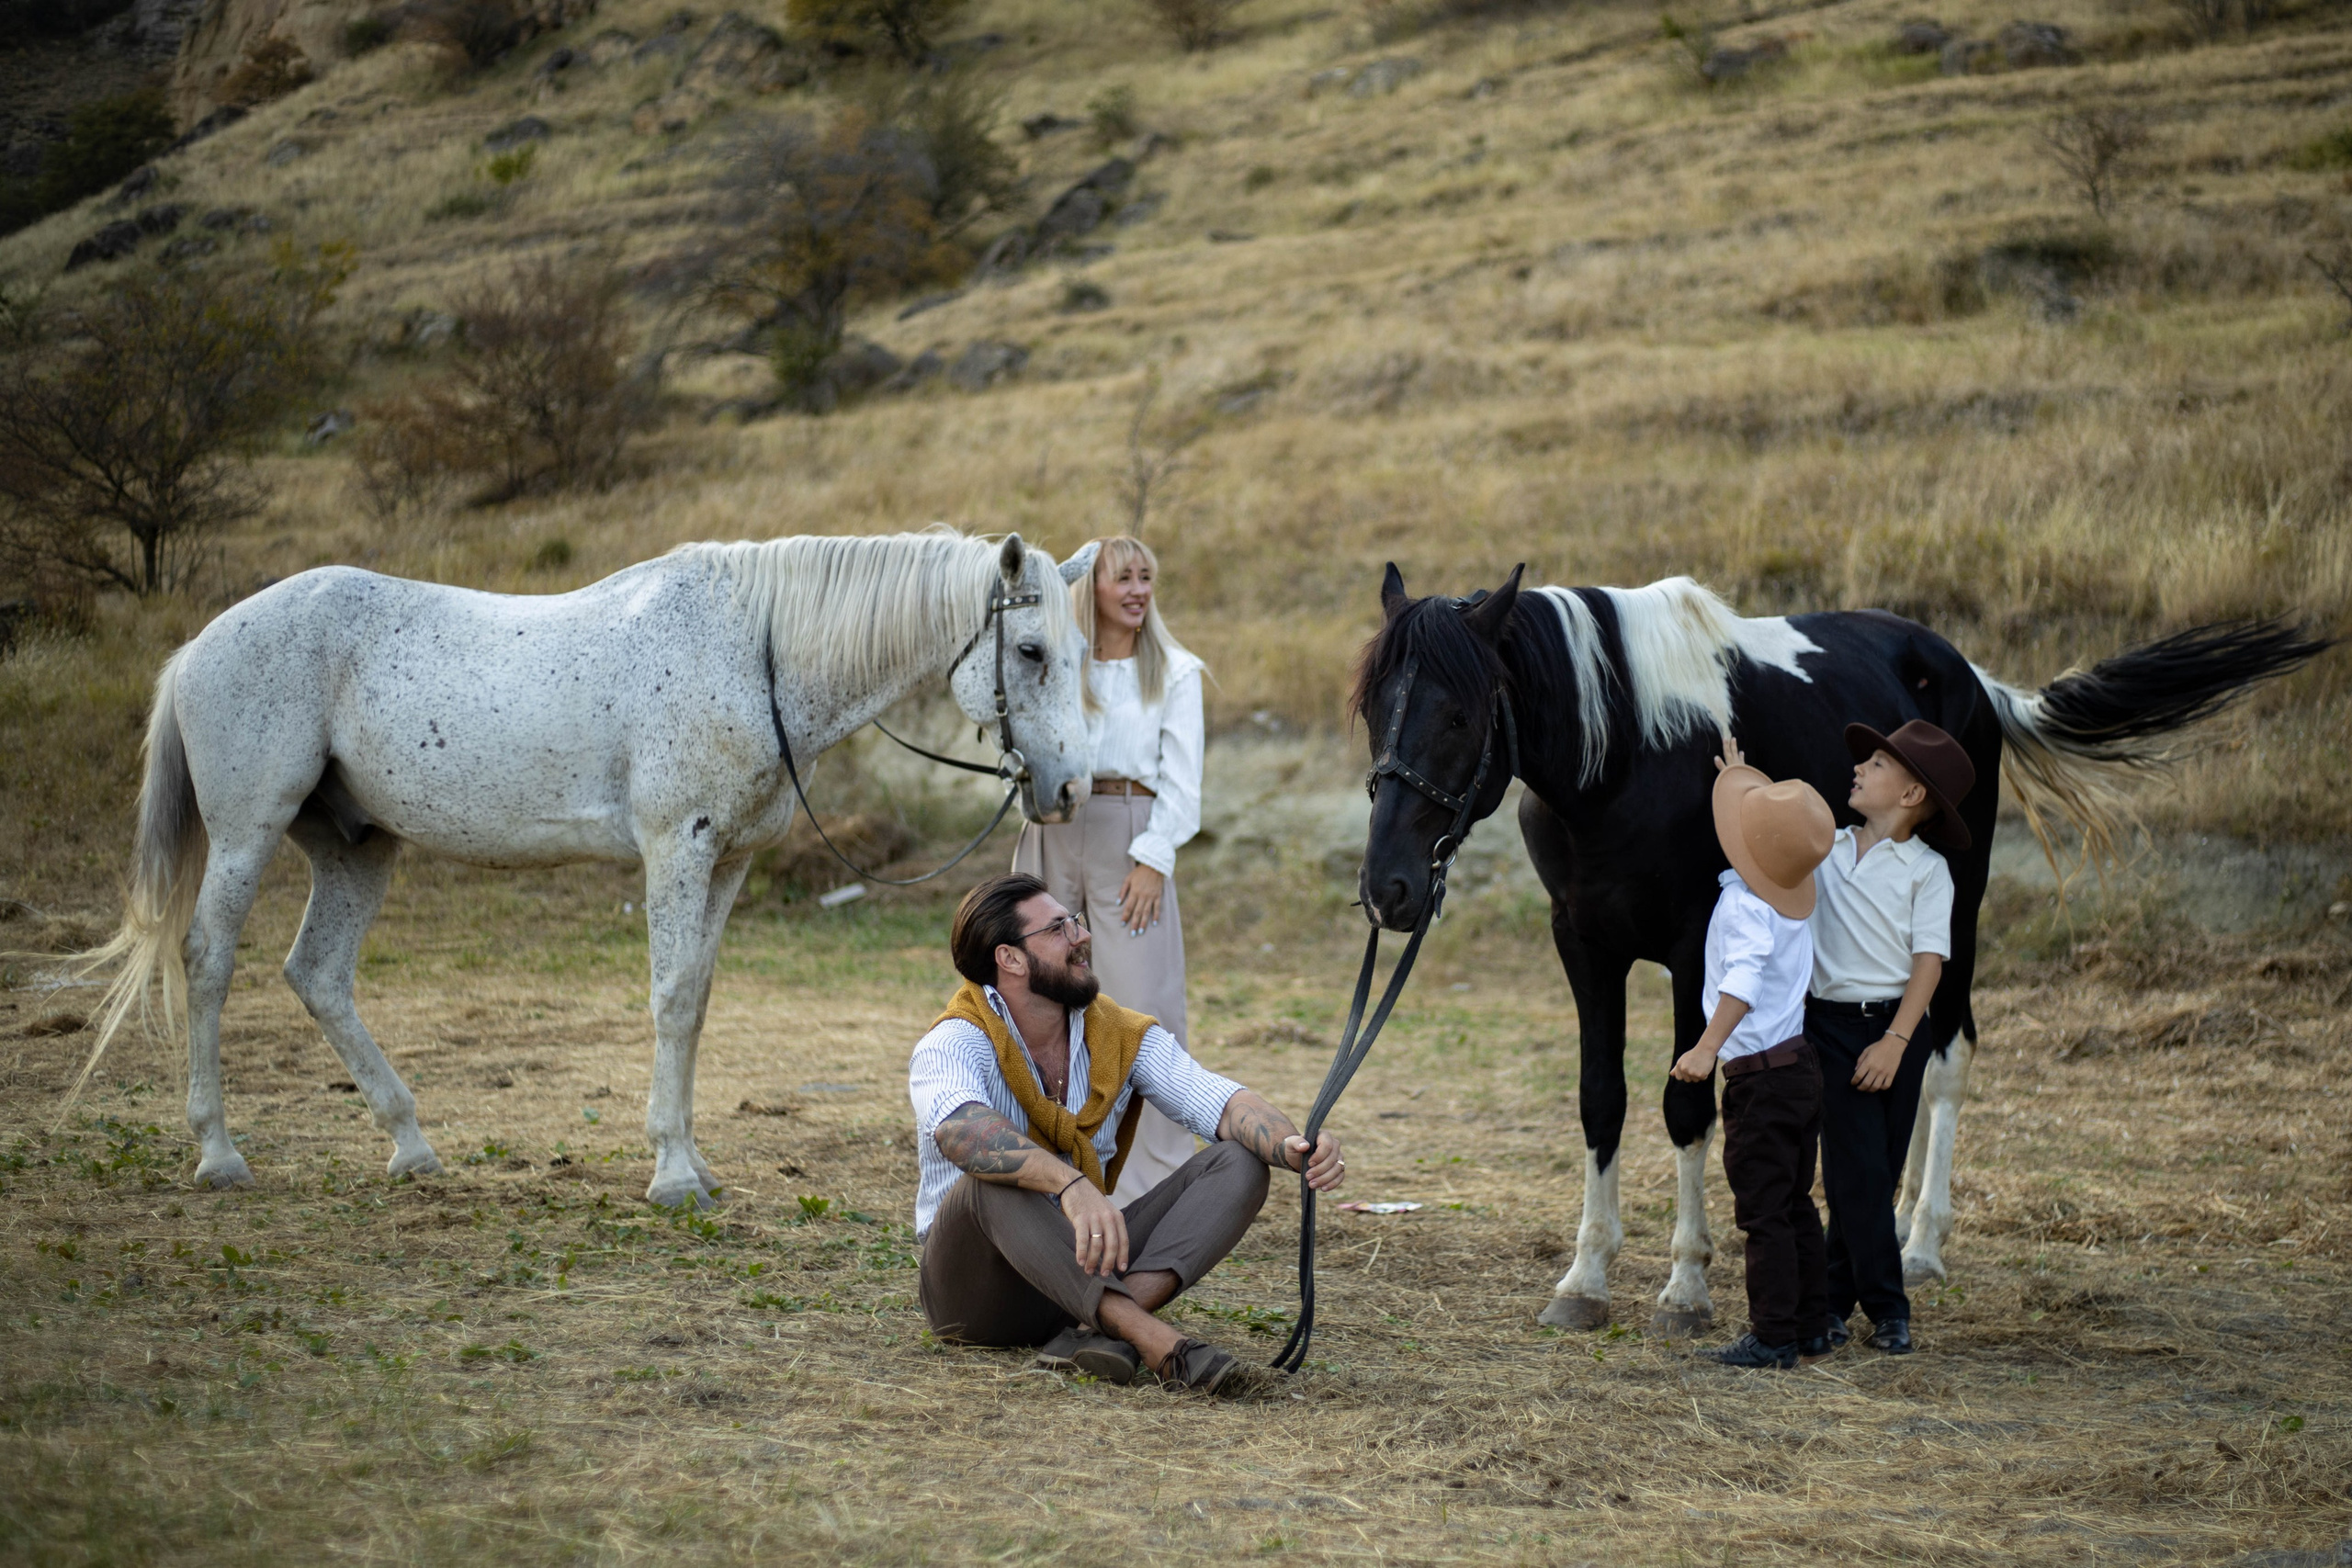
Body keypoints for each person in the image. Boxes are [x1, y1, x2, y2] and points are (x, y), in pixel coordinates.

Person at [909, 874, 1345, 1393]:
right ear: (1011, 959)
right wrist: (1070, 1186)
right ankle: (1152, 1339)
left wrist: (1294, 1147)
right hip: (977, 1295)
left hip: (1080, 1271)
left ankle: (1094, 1330)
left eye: (1076, 921)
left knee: (1240, 1161)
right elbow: (961, 1132)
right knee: (991, 1176)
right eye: (1058, 928)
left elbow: (1217, 1100)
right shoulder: (956, 1039)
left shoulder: (1115, 1032)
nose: (1081, 936)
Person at [1012, 535, 1206, 1201]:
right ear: (1089, 588)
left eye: (1146, 578)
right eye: (1123, 578)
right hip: (1055, 830)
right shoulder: (1065, 661)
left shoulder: (1175, 672)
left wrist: (1153, 860)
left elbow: (1185, 786)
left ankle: (1153, 1179)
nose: (1137, 591)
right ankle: (1039, 1156)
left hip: (1132, 833)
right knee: (1034, 989)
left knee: (1142, 1007)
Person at [1804, 720, 1974, 1358]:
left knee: (1874, 1169)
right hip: (1829, 1024)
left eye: (1876, 764)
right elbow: (1767, 838)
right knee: (1858, 1172)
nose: (1859, 769)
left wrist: (1898, 1041)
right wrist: (1739, 783)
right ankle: (1885, 1305)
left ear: (1910, 796)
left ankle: (1830, 1301)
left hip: (1896, 1030)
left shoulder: (1927, 871)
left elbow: (1929, 962)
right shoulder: (1825, 848)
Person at [1671, 736, 1837, 1371]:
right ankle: (1813, 1322)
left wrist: (1705, 1048)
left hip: (1759, 1080)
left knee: (1762, 1209)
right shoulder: (1791, 902)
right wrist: (1740, 775)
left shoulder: (1743, 905)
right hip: (1800, 1068)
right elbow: (1776, 841)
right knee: (1796, 1202)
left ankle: (1773, 1335)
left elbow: (1740, 981)